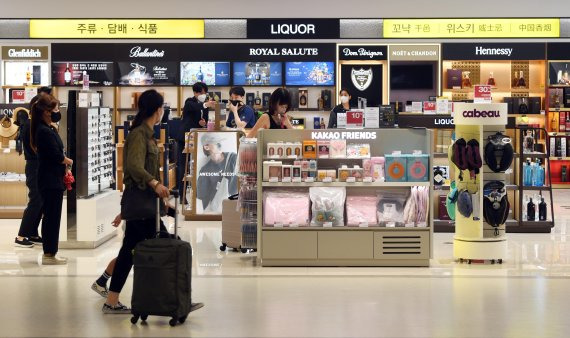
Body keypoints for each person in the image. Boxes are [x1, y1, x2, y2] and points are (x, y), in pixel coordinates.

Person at [103, 89, 203, 314]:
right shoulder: (139, 134)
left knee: (134, 251)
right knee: (167, 245)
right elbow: (134, 167)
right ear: (157, 110)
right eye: (162, 108)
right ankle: (176, 299)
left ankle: (115, 298)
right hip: (142, 205)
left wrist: (160, 201)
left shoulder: (146, 133)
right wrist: (155, 184)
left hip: (144, 204)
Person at [30, 93, 72, 265]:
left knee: (52, 217)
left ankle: (51, 252)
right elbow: (54, 155)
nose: (57, 111)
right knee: (52, 218)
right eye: (55, 108)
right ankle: (49, 254)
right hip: (50, 180)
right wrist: (67, 160)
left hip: (53, 179)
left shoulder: (47, 129)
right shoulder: (44, 131)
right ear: (46, 112)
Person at [14, 87, 53, 248]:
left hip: (39, 166)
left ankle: (33, 232)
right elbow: (36, 149)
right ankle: (21, 235)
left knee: (40, 201)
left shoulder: (35, 125)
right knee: (35, 200)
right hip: (35, 166)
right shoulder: (32, 126)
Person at [176, 82, 216, 195]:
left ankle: (198, 192)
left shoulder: (205, 104)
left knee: (198, 165)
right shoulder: (189, 102)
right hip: (185, 139)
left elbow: (206, 121)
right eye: (201, 92)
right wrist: (206, 105)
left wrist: (204, 123)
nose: (204, 94)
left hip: (199, 139)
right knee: (183, 166)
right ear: (195, 93)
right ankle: (181, 193)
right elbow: (195, 107)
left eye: (205, 92)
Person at [196, 133, 238, 213]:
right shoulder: (205, 170)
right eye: (215, 142)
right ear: (206, 147)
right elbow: (203, 196)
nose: (219, 144)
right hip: (218, 210)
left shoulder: (233, 158)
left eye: (220, 142)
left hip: (236, 207)